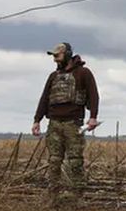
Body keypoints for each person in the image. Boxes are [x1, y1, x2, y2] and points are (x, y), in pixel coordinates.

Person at [32, 42, 100, 201]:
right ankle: (53, 195)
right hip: (54, 123)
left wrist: (93, 117)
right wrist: (37, 120)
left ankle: (77, 196)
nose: (55, 60)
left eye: (57, 56)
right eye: (53, 56)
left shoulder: (83, 73)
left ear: (67, 55)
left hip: (73, 123)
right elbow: (44, 99)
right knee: (54, 161)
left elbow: (94, 95)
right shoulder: (53, 76)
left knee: (75, 161)